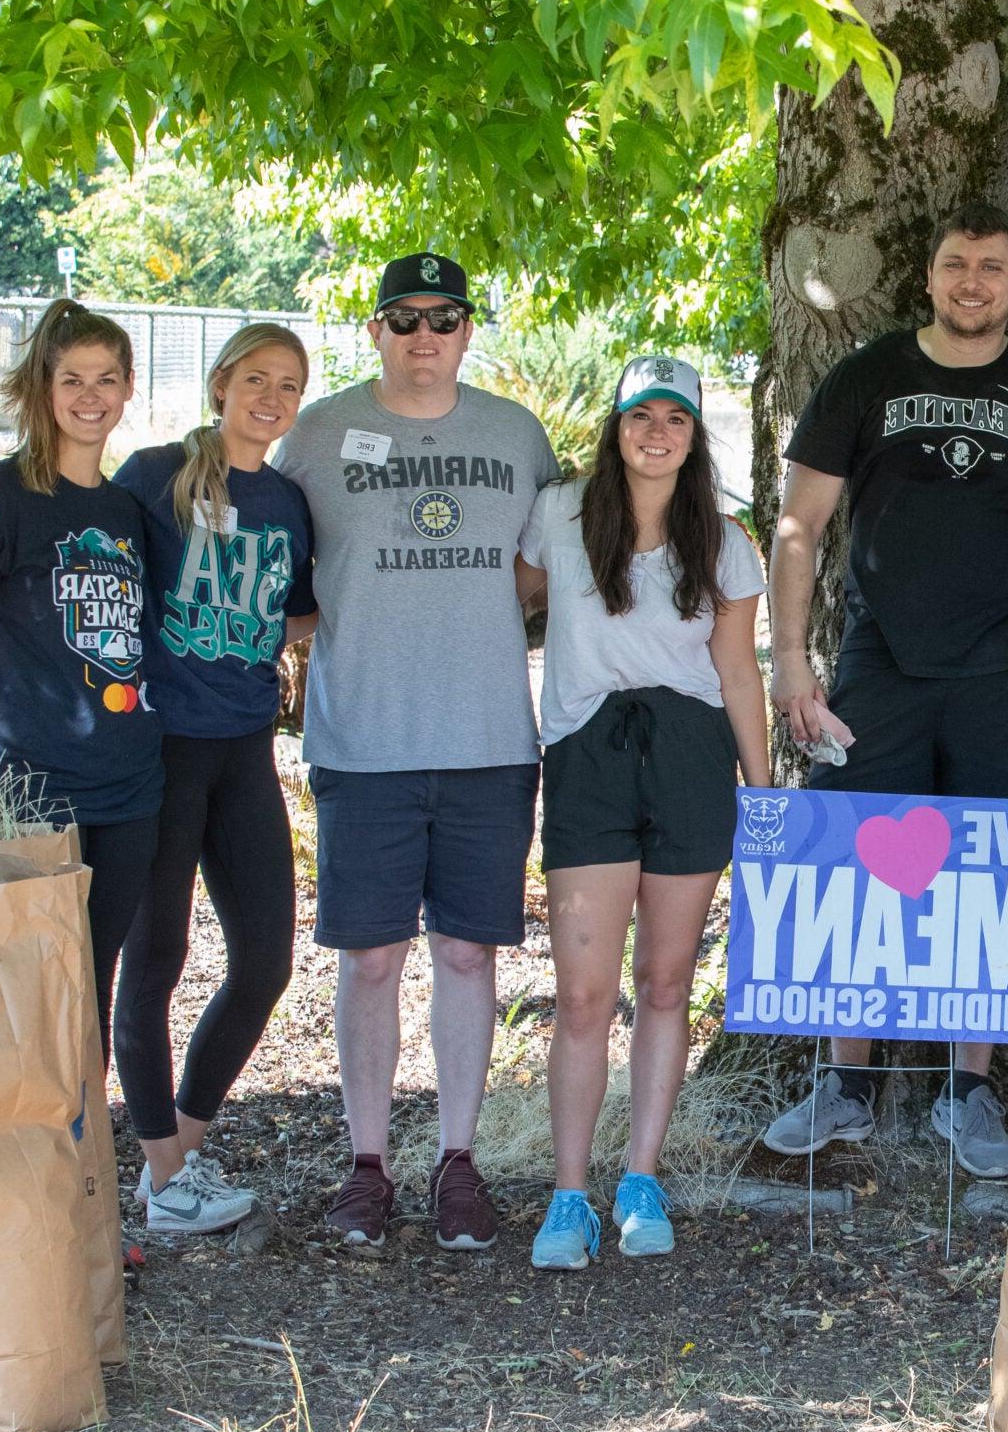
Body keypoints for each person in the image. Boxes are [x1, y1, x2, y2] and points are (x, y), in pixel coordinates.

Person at [761, 202, 1008, 1179]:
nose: (972, 281)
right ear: (929, 275)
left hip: (1005, 669)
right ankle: (846, 1085)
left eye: (991, 267)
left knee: (991, 880)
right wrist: (789, 662)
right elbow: (798, 527)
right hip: (880, 659)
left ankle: (968, 1096)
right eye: (956, 263)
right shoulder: (867, 376)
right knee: (845, 861)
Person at [274, 252, 559, 1251]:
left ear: (469, 330)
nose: (425, 337)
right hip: (364, 739)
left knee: (469, 955)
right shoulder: (313, 437)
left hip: (487, 738)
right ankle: (365, 1166)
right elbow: (272, 566)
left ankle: (458, 1161)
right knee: (370, 960)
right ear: (377, 330)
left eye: (444, 318)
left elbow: (552, 568)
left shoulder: (516, 436)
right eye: (405, 319)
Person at [516, 355, 771, 1271]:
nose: (655, 432)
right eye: (639, 416)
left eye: (674, 417)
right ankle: (569, 1192)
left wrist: (763, 789)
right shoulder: (560, 512)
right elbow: (506, 601)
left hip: (693, 757)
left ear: (694, 433)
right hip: (588, 753)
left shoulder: (726, 539)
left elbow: (740, 672)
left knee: (666, 982)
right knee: (584, 994)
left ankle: (642, 1177)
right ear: (615, 426)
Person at [107, 322, 316, 1235]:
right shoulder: (153, 475)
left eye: (290, 385)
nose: (271, 397)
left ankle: (176, 1160)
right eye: (257, 378)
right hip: (160, 749)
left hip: (243, 748)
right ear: (222, 382)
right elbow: (94, 568)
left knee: (267, 959)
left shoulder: (288, 497)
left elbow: (300, 611)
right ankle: (158, 1165)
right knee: (155, 959)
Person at [0, 300, 162, 1059]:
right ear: (43, 388)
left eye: (106, 378)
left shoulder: (126, 507)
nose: (89, 395)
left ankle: (83, 1158)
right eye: (71, 379)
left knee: (94, 975)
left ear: (128, 388)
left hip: (129, 781)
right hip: (33, 782)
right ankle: (36, 1151)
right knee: (35, 980)